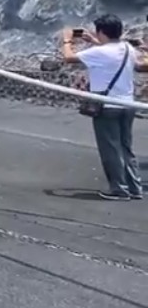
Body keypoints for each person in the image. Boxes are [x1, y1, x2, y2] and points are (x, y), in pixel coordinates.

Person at [60, 15, 142, 200]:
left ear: (102, 32)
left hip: (107, 106)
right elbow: (119, 58)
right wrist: (95, 42)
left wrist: (66, 39)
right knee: (125, 147)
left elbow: (69, 57)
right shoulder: (127, 48)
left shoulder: (98, 53)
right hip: (128, 104)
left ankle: (119, 189)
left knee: (110, 148)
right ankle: (134, 187)